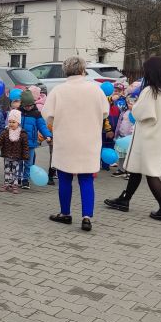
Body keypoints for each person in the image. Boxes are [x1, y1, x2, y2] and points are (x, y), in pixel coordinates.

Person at [41, 56, 110, 232]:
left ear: (65, 70)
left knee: (65, 178)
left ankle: (65, 213)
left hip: (66, 140)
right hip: (89, 141)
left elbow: (47, 114)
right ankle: (87, 217)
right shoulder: (95, 89)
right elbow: (105, 112)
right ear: (83, 70)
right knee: (86, 179)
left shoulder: (59, 90)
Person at [104, 56, 161, 222]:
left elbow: (140, 113)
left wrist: (134, 106)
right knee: (136, 169)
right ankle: (125, 199)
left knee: (150, 173)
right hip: (158, 135)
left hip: (147, 137)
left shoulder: (150, 91)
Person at [18, 90, 51, 189]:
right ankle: (18, 177)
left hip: (31, 143)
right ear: (22, 104)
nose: (28, 107)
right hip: (19, 142)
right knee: (19, 161)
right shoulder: (18, 113)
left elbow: (42, 126)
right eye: (26, 106)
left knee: (28, 162)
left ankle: (25, 180)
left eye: (30, 105)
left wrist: (47, 135)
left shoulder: (36, 114)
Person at [0, 109, 29, 194]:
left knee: (15, 171)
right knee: (7, 170)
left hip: (17, 157)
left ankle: (14, 185)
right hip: (7, 155)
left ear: (18, 123)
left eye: (13, 122)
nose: (11, 124)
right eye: (10, 122)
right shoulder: (5, 132)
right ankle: (6, 184)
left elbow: (25, 146)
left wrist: (25, 155)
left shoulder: (22, 133)